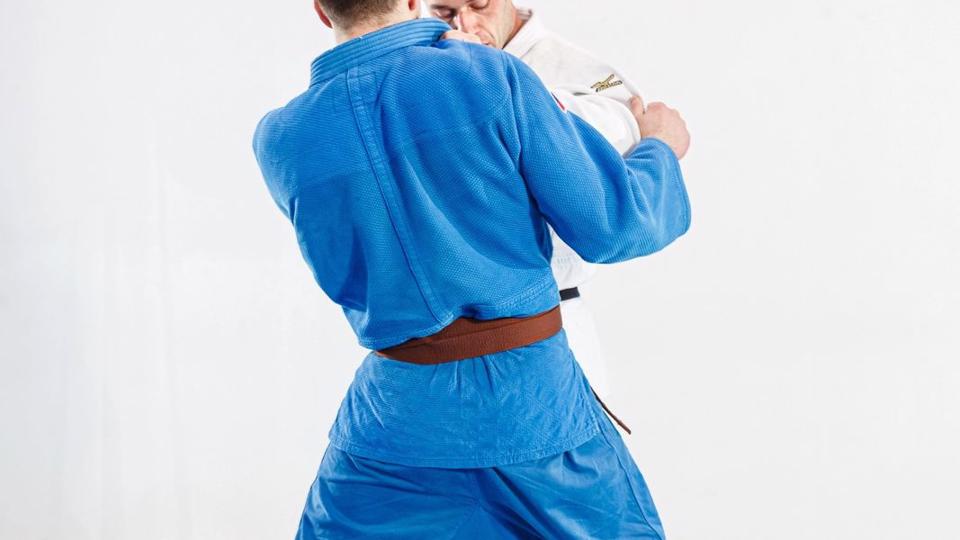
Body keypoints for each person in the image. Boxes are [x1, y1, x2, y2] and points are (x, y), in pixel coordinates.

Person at [252, 0, 691, 537]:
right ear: (412, 2)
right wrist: (659, 149)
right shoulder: (486, 74)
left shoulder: (280, 138)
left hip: (393, 421)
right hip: (532, 408)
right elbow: (616, 225)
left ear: (321, 10)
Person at [430, 0, 682, 402]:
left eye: (479, 4)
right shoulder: (432, 65)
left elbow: (621, 129)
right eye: (444, 12)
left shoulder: (578, 70)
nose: (466, 22)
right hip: (444, 336)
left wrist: (489, 79)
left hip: (553, 319)